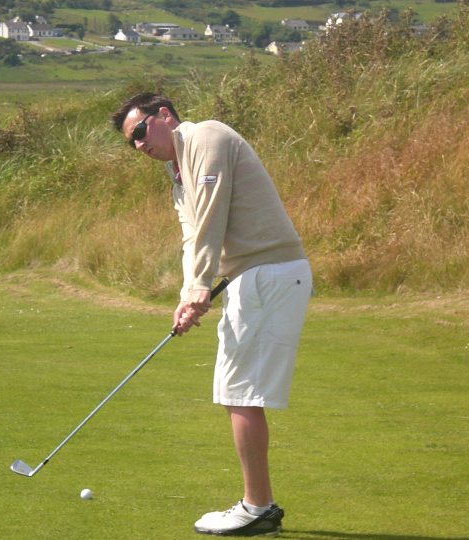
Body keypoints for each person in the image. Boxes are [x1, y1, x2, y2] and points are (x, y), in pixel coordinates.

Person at [112, 93, 312, 536]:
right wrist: (189, 295)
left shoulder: (206, 136)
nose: (140, 145)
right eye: (133, 143)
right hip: (254, 278)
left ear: (164, 115)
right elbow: (192, 238)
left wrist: (201, 286)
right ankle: (258, 503)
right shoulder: (175, 173)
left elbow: (212, 220)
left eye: (142, 131)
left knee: (240, 393)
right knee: (235, 391)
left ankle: (257, 507)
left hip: (268, 273)